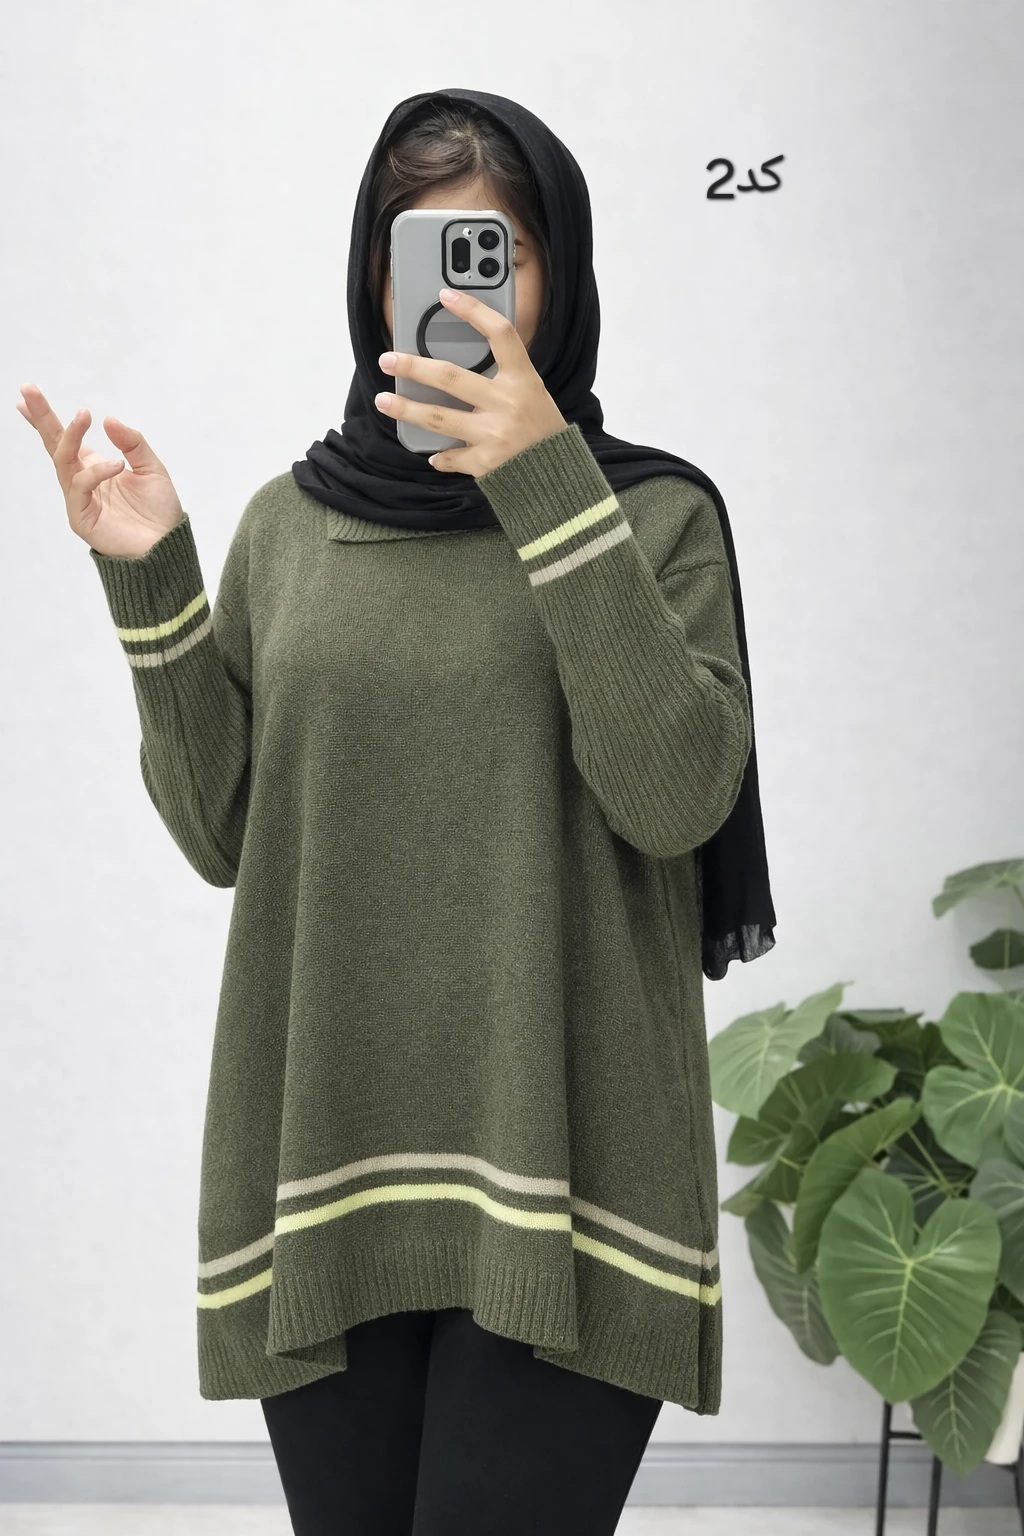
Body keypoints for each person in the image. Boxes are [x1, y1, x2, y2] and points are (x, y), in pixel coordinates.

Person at [18, 86, 775, 1536]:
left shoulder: (655, 517)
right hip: (331, 1158)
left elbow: (677, 796)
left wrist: (544, 482)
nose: (455, 292)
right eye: (417, 250)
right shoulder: (291, 524)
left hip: (572, 1174)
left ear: (561, 275)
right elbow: (224, 836)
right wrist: (151, 576)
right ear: (372, 276)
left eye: (497, 253)